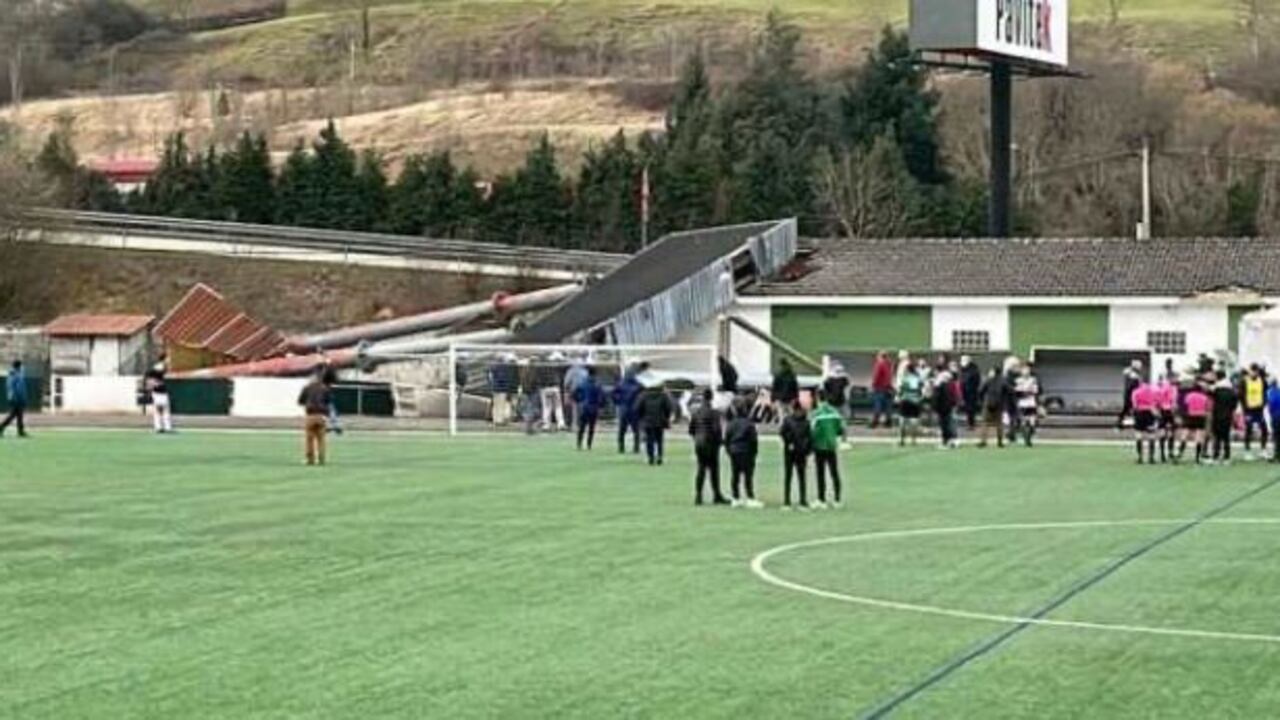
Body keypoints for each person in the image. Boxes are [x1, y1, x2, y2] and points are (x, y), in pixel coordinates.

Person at [688, 389, 729, 505]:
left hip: (699, 443)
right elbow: (716, 429)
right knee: (714, 470)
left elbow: (691, 430)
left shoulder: (696, 412)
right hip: (710, 444)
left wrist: (696, 438)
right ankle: (716, 495)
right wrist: (721, 441)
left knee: (701, 469)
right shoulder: (714, 413)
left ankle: (698, 496)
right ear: (711, 398)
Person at [810, 391, 846, 509]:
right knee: (834, 473)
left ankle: (821, 499)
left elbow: (812, 431)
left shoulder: (816, 414)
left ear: (817, 398)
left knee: (820, 473)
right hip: (831, 445)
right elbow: (840, 429)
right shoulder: (835, 412)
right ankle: (837, 499)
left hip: (819, 446)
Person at [725, 400, 761, 508]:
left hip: (734, 451)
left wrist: (729, 451)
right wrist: (754, 453)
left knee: (735, 475)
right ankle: (750, 497)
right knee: (748, 476)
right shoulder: (749, 424)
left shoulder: (731, 424)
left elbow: (727, 439)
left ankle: (736, 498)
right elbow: (753, 440)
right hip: (746, 452)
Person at [298, 367, 333, 466]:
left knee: (309, 440)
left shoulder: (306, 388)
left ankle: (310, 460)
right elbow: (329, 402)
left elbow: (300, 401)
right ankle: (321, 459)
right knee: (321, 440)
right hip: (322, 416)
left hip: (311, 415)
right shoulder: (325, 388)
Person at [780, 400, 812, 510]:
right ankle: (793, 500)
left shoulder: (790, 420)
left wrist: (789, 443)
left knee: (794, 476)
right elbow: (783, 433)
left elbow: (783, 433)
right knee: (795, 476)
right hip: (797, 452)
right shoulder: (803, 422)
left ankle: (794, 500)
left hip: (794, 452)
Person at [634, 381, 674, 466]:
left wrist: (642, 417)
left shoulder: (643, 395)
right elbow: (669, 408)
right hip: (660, 421)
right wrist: (666, 417)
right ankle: (659, 456)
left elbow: (637, 408)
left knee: (649, 440)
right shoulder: (663, 395)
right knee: (659, 440)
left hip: (647, 421)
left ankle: (651, 457)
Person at [613, 363, 644, 454]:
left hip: (623, 408)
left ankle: (621, 447)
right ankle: (636, 448)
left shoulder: (621, 383)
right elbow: (642, 396)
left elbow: (614, 394)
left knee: (622, 430)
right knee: (636, 430)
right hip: (634, 409)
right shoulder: (639, 385)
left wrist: (618, 402)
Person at [1179, 377, 1211, 464]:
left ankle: (1180, 454)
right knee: (1199, 437)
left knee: (1185, 435)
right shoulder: (1205, 397)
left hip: (1190, 416)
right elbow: (1207, 408)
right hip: (1200, 416)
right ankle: (1197, 458)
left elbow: (1185, 405)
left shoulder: (1189, 396)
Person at [1210, 371, 1238, 465]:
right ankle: (1227, 457)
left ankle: (1216, 456)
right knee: (1226, 438)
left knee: (1217, 437)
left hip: (1217, 415)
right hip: (1227, 415)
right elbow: (1234, 405)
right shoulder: (1231, 391)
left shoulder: (1215, 390)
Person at [1241, 365, 1268, 461]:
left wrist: (1264, 404)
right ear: (1250, 371)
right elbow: (1241, 395)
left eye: (1256, 371)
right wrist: (1244, 409)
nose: (1254, 373)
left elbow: (1265, 393)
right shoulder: (1244, 381)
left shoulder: (1262, 381)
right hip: (1249, 410)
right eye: (1252, 371)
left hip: (1259, 409)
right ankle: (1247, 451)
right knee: (1248, 430)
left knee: (1264, 429)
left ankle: (1263, 450)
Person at [573, 368, 605, 450]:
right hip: (594, 408)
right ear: (595, 375)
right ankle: (589, 444)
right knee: (591, 428)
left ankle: (579, 444)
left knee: (582, 427)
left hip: (584, 407)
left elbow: (574, 393)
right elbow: (602, 397)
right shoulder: (597, 384)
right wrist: (601, 406)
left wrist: (579, 400)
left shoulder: (582, 383)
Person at [978, 367, 1009, 449]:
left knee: (985, 422)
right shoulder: (1003, 381)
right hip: (999, 404)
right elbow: (1009, 391)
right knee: (999, 423)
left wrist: (982, 401)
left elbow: (980, 391)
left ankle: (983, 441)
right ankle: (1000, 441)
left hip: (988, 404)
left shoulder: (988, 380)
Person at [1131, 377, 1160, 464]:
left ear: (1141, 382)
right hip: (1150, 413)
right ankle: (1151, 457)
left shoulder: (1136, 391)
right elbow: (1156, 403)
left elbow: (1134, 405)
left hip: (1140, 413)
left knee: (1139, 435)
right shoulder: (1154, 391)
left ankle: (1140, 457)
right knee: (1151, 435)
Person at [932, 361, 960, 449]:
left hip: (944, 408)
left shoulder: (942, 385)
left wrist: (935, 406)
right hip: (947, 407)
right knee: (948, 424)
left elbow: (938, 397)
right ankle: (950, 441)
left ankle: (949, 441)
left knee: (947, 424)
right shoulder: (949, 384)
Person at [897, 364, 924, 447]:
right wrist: (919, 398)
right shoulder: (918, 379)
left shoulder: (904, 378)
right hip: (915, 402)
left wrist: (899, 397)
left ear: (908, 370)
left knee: (902, 421)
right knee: (914, 421)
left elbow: (900, 390)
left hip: (905, 401)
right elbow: (921, 390)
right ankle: (913, 440)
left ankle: (902, 440)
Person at [538, 356, 567, 432]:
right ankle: (561, 424)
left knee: (547, 407)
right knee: (558, 407)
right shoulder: (554, 366)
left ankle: (546, 425)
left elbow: (539, 379)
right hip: (555, 388)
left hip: (545, 388)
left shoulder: (540, 368)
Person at [1, 360, 29, 439]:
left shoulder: (19, 375)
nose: (23, 367)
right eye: (21, 366)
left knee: (19, 416)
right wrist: (13, 397)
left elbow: (21, 388)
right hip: (15, 399)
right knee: (12, 416)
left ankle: (20, 431)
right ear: (19, 366)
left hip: (20, 399)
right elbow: (10, 387)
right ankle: (1, 427)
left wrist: (23, 398)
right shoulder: (13, 374)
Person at [145, 356, 173, 434]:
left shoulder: (161, 368)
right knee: (160, 410)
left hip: (161, 391)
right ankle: (161, 427)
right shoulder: (159, 368)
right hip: (158, 392)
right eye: (167, 358)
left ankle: (163, 427)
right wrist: (151, 387)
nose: (169, 360)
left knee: (163, 410)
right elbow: (150, 378)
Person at [1014, 364, 1041, 447]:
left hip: (1031, 403)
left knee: (1032, 422)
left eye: (1027, 370)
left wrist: (1030, 393)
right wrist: (1024, 393)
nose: (1026, 372)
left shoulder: (1033, 380)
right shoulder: (1018, 380)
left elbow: (1036, 391)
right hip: (1022, 404)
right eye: (1024, 370)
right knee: (1024, 421)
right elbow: (1017, 392)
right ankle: (1026, 439)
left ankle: (1030, 435)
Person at [1156, 372, 1179, 463]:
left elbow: (1157, 399)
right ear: (1171, 378)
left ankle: (1162, 454)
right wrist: (1175, 413)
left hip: (1162, 410)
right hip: (1169, 411)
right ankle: (1170, 452)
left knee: (1162, 431)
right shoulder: (1172, 388)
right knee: (1171, 432)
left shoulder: (1161, 387)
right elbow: (1174, 401)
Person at [870, 351, 894, 429]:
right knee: (888, 406)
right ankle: (888, 422)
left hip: (879, 388)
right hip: (888, 388)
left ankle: (875, 422)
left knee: (878, 405)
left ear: (880, 356)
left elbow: (876, 376)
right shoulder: (889, 364)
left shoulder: (879, 364)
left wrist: (873, 384)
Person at [1117, 360, 1144, 430]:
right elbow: (1133, 385)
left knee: (1128, 410)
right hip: (1130, 394)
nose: (1140, 368)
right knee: (1129, 409)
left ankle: (1122, 424)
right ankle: (1120, 424)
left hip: (1130, 394)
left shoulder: (1133, 374)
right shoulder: (1132, 375)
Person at [563, 360, 590, 430]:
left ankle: (574, 425)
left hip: (574, 390)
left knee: (574, 409)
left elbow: (566, 382)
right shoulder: (585, 371)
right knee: (582, 409)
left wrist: (566, 391)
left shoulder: (570, 371)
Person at [960, 355, 982, 430]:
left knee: (971, 409)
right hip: (966, 392)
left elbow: (976, 381)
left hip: (971, 392)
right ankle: (970, 423)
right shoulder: (964, 370)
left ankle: (971, 424)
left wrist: (971, 388)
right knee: (968, 409)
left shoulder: (973, 370)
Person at [322, 362, 343, 435]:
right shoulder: (328, 372)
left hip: (325, 393)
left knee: (329, 410)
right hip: (326, 392)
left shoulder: (326, 372)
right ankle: (333, 426)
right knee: (330, 410)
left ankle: (333, 426)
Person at [1268, 379, 1280, 463]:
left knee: (1276, 437)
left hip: (1276, 417)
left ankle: (1276, 456)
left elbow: (1270, 405)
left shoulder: (1270, 392)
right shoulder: (1278, 392)